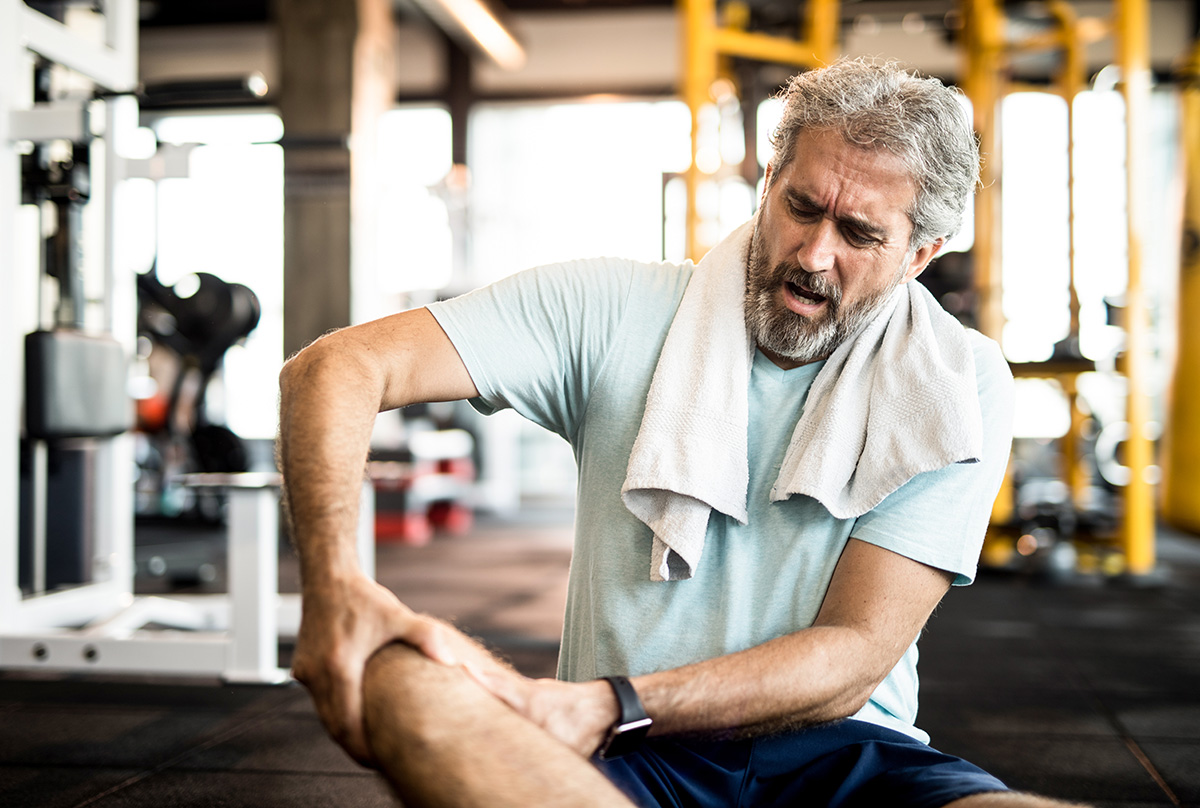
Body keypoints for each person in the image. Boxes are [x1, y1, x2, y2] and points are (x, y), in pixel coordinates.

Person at [278, 58, 1085, 808]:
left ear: (921, 254)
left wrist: (605, 702)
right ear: (768, 183)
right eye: (801, 206)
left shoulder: (956, 381)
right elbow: (335, 368)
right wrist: (336, 586)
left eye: (860, 234)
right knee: (402, 687)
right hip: (628, 754)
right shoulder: (610, 308)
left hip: (845, 754)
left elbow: (852, 658)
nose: (813, 253)